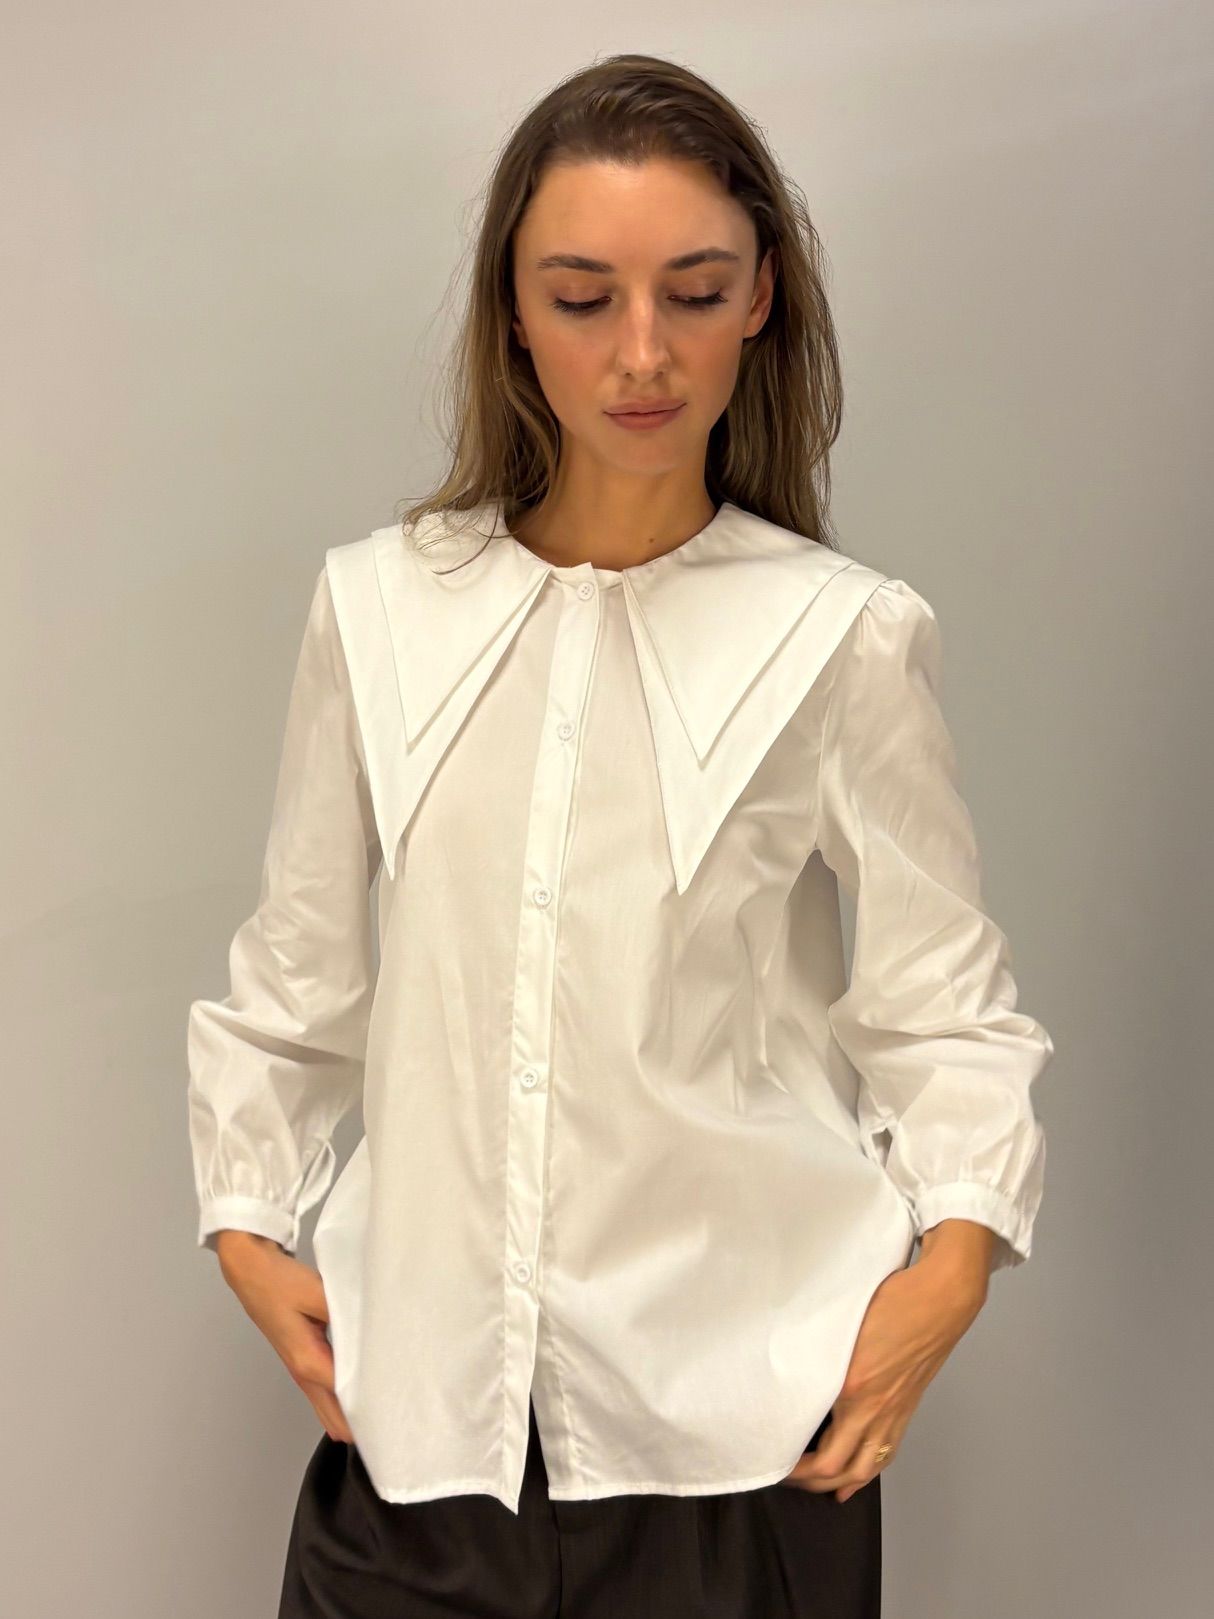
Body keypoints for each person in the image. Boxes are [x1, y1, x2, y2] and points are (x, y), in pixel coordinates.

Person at [186, 52, 1054, 1619]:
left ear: (759, 299)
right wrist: (245, 1221)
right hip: (421, 1445)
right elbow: (297, 974)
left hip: (737, 1454)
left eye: (693, 292)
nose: (640, 352)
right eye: (581, 297)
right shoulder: (375, 610)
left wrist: (948, 1274)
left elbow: (942, 1006)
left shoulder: (842, 637)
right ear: (512, 312)